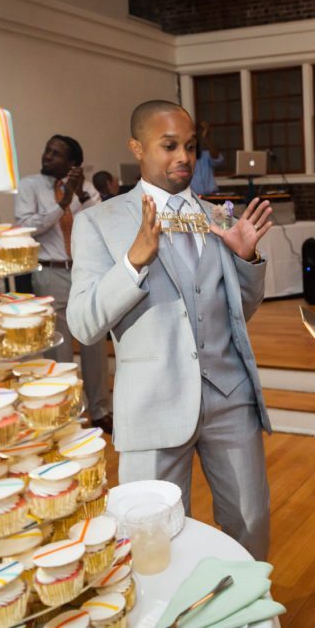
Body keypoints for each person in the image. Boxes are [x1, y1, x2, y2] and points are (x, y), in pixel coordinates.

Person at [66, 100, 275, 559]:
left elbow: (240, 310)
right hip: (153, 402)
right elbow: (83, 325)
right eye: (169, 146)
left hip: (228, 395)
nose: (184, 157)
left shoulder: (217, 216)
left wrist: (246, 259)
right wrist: (132, 263)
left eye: (190, 146)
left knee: (250, 520)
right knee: (152, 536)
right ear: (137, 147)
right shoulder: (98, 223)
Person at [14, 135, 111, 431]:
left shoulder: (84, 187)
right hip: (50, 272)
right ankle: (66, 414)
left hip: (85, 272)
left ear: (72, 164)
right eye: (47, 150)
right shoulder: (30, 186)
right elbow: (24, 227)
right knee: (59, 348)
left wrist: (80, 193)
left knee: (94, 342)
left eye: (56, 154)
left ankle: (100, 409)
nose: (48, 156)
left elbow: (103, 218)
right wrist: (62, 203)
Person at [189, 120, 223, 197]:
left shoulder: (206, 155)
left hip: (212, 195)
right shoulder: (186, 158)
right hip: (194, 198)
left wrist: (206, 137)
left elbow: (217, 158)